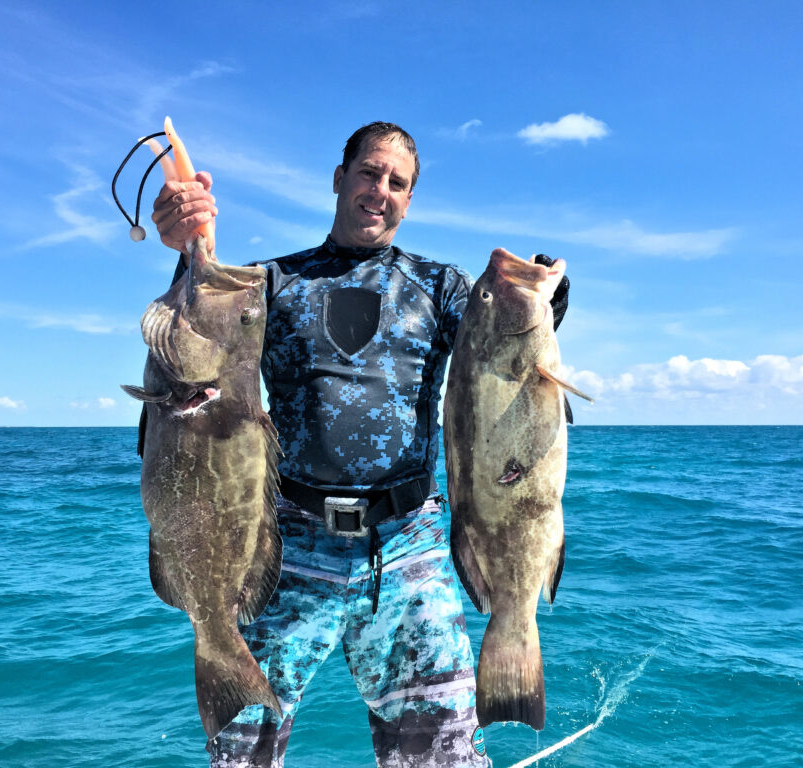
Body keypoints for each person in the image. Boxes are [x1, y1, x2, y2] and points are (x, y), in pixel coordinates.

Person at [149, 122, 570, 768]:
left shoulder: (442, 288)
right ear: (339, 178)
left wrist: (550, 291)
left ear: (409, 200)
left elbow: (506, 349)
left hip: (409, 546)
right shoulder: (271, 284)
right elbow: (194, 344)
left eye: (397, 183)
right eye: (370, 173)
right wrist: (189, 247)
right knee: (239, 755)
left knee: (444, 758)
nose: (381, 190)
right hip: (289, 546)